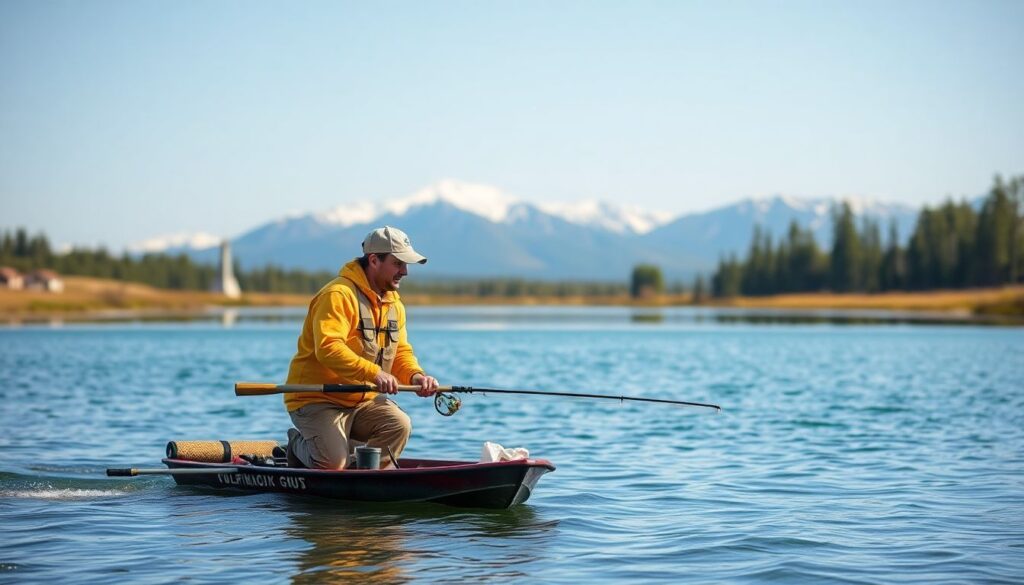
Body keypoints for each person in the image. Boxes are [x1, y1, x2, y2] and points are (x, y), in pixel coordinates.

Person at [283, 226, 439, 469]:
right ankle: (298, 444)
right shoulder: (338, 295)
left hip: (361, 401)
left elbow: (400, 353)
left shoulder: (394, 305)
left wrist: (416, 376)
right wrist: (375, 373)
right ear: (374, 260)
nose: (405, 272)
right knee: (333, 463)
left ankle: (358, 469)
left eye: (406, 265)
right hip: (315, 400)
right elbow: (328, 348)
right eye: (398, 263)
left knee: (400, 424)